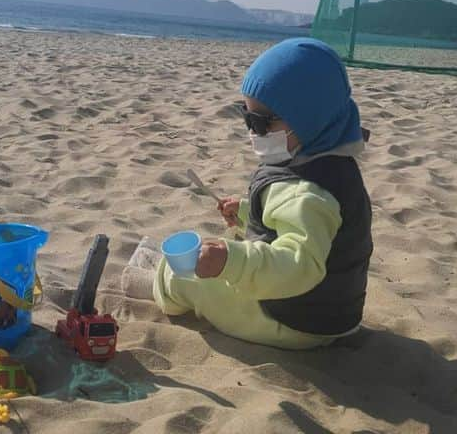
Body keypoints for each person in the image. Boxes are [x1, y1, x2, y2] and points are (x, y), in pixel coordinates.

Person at [123, 38, 373, 349]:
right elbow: (305, 226)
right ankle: (172, 266)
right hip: (334, 313)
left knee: (189, 276)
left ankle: (152, 282)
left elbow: (299, 266)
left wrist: (232, 262)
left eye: (260, 121)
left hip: (295, 322)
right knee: (223, 250)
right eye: (246, 116)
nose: (252, 131)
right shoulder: (332, 162)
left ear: (308, 120)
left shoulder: (306, 193)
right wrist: (245, 212)